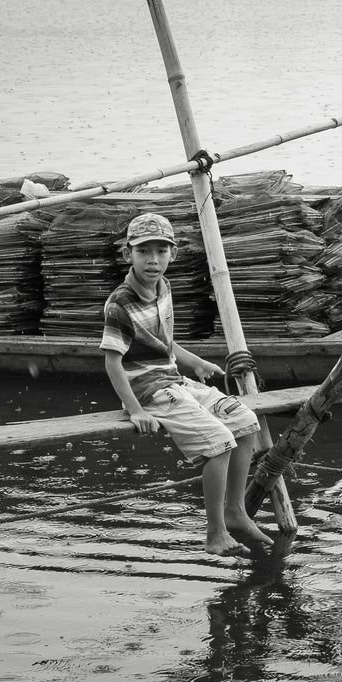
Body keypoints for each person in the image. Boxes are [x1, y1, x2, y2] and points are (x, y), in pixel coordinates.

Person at [100, 212, 274, 556]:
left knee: (244, 421)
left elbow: (164, 343)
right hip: (148, 391)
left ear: (173, 255)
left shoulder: (164, 289)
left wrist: (195, 362)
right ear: (127, 255)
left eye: (161, 251)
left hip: (174, 380)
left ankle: (235, 512)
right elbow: (112, 361)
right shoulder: (120, 303)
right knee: (220, 441)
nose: (153, 260)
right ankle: (214, 533)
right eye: (143, 251)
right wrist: (135, 410)